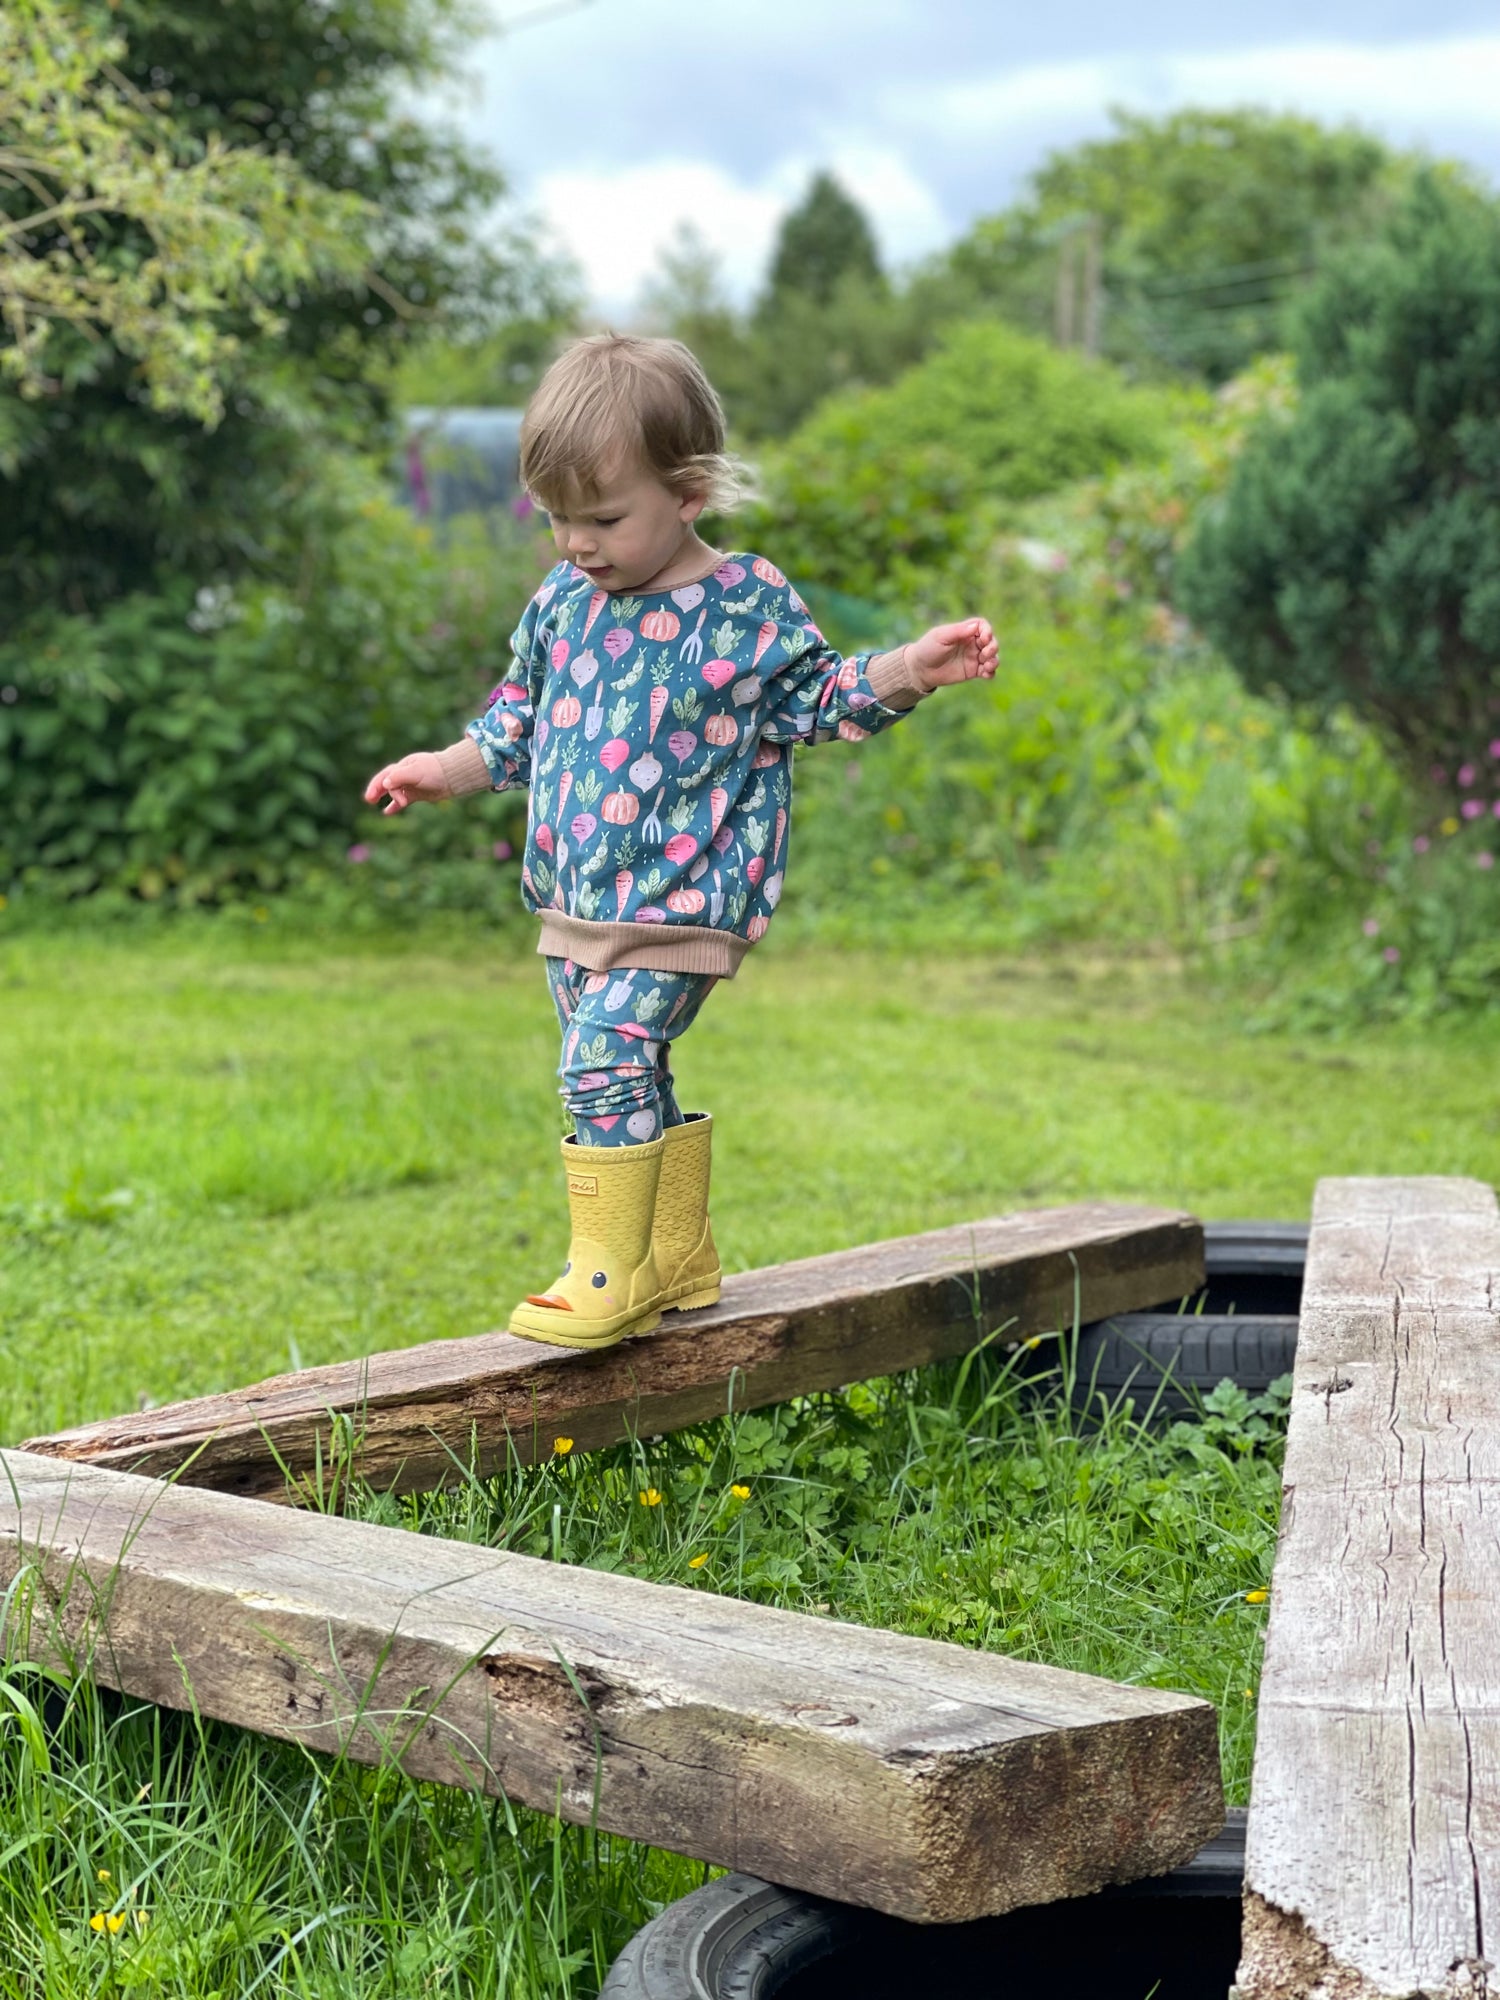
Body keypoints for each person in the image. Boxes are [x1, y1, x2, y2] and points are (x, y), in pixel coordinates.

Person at [365, 334, 997, 1351]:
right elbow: (516, 722)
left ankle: (604, 1271)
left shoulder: (742, 603)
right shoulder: (565, 601)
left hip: (683, 901)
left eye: (604, 516)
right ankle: (677, 1256)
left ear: (690, 490)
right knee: (634, 1071)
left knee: (604, 1055)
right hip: (576, 903)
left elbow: (817, 700)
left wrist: (909, 668)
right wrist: (444, 766)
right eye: (557, 517)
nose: (576, 540)